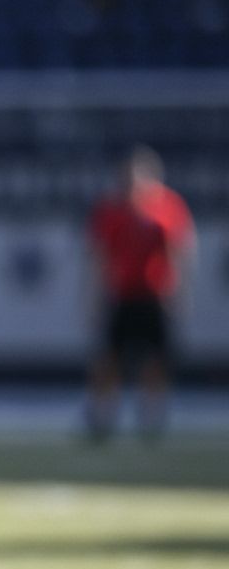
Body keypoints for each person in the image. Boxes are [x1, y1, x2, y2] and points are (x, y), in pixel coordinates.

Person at [84, 145, 195, 440]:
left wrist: (179, 293)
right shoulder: (112, 211)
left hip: (154, 296)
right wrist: (94, 298)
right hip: (122, 295)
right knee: (109, 359)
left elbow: (179, 251)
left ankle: (151, 417)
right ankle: (102, 416)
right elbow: (99, 258)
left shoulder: (168, 208)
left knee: (156, 361)